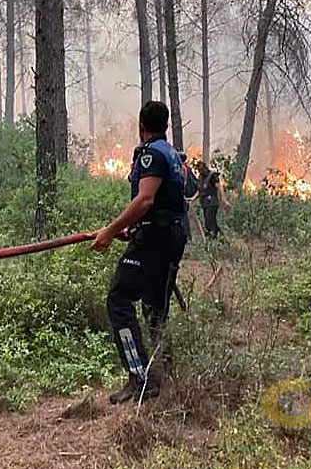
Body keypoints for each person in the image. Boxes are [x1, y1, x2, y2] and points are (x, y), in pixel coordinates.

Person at [91, 101, 186, 404]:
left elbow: (145, 200)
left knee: (119, 299)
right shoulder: (173, 155)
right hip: (170, 235)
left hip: (155, 239)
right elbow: (165, 201)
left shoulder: (151, 155)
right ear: (166, 126)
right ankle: (167, 372)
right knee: (155, 307)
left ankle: (140, 378)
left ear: (141, 126)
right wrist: (130, 229)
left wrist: (109, 229)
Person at [196, 160, 231, 238]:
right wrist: (192, 199)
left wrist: (223, 199)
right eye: (198, 171)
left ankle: (214, 238)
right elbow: (200, 191)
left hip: (212, 203)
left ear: (205, 168)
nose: (200, 172)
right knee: (208, 222)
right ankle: (220, 238)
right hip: (205, 203)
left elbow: (219, 187)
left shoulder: (212, 176)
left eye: (201, 170)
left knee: (210, 222)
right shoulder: (201, 177)